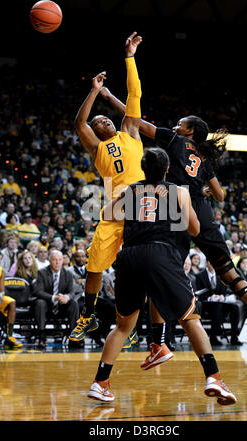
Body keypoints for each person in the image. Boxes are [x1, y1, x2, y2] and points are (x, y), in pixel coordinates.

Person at [100, 89, 247, 347]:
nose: (176, 125)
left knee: (158, 270)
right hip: (203, 208)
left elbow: (136, 121)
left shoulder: (174, 140)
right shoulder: (203, 156)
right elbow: (220, 195)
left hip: (179, 205)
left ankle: (159, 342)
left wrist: (109, 97)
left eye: (180, 124)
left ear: (188, 131)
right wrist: (204, 190)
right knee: (228, 271)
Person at [88, 147, 237, 406]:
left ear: (144, 169)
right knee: (190, 317)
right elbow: (194, 228)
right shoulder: (178, 192)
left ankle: (100, 383)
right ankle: (213, 376)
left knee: (123, 326)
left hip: (130, 255)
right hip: (160, 252)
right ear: (167, 169)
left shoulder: (129, 190)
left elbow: (106, 214)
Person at [69, 32, 146, 345]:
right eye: (100, 120)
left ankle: (133, 327)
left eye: (106, 117)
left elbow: (134, 96)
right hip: (114, 212)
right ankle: (88, 315)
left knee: (138, 270)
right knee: (94, 264)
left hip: (143, 209)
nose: (104, 120)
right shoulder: (97, 149)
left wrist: (129, 58)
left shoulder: (130, 131)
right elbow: (80, 124)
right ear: (98, 132)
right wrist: (93, 92)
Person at [32, 250, 79, 349]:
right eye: (54, 260)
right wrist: (53, 298)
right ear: (50, 261)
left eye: (60, 260)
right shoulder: (42, 272)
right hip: (47, 306)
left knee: (73, 303)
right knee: (40, 303)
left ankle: (74, 338)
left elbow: (72, 292)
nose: (57, 262)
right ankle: (41, 337)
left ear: (63, 261)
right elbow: (38, 291)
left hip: (62, 306)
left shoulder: (68, 274)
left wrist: (66, 297)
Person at [195, 260, 242, 346]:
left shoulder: (221, 275)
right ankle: (214, 336)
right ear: (207, 262)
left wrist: (222, 297)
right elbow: (198, 294)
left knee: (234, 307)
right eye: (211, 262)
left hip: (220, 303)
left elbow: (223, 292)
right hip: (206, 305)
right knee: (217, 306)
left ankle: (234, 336)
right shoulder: (200, 276)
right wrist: (209, 298)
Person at [0, 246, 23, 349]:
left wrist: (0, 295)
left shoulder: (0, 270)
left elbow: (2, 289)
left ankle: (9, 337)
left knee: (12, 302)